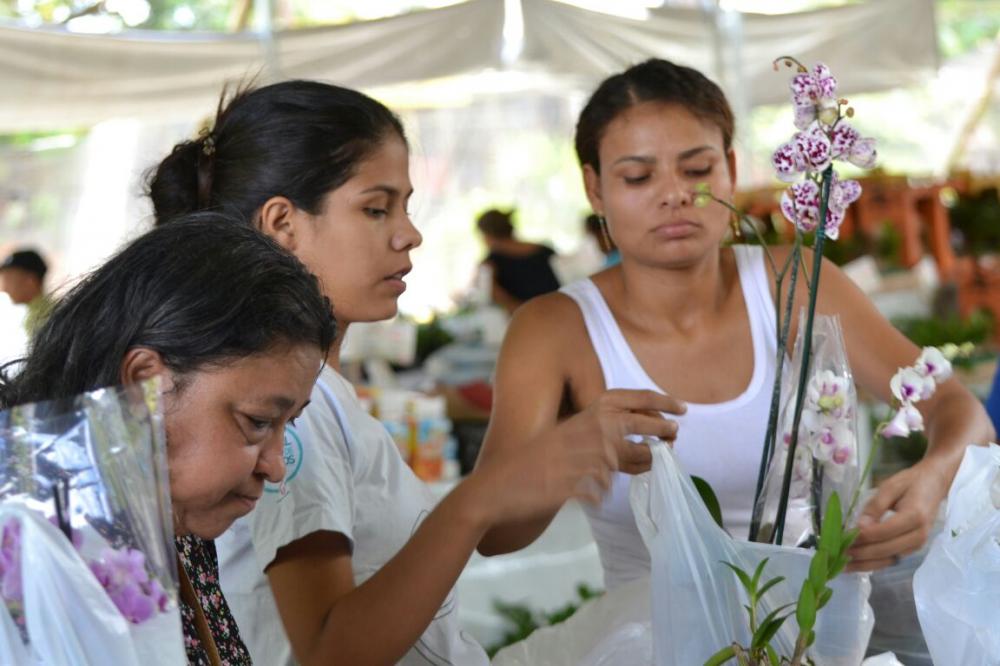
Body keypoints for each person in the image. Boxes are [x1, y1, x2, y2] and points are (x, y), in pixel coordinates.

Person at [148, 80, 681, 665]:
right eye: (376, 209)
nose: (410, 234)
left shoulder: (323, 396)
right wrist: (474, 502)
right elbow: (332, 651)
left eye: (406, 207)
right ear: (282, 224)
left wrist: (550, 465)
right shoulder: (294, 409)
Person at [475, 59, 995, 589]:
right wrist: (567, 459)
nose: (674, 193)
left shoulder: (794, 284)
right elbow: (491, 534)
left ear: (729, 167)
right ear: (595, 189)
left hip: (819, 626)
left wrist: (934, 480)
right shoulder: (552, 331)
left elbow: (958, 409)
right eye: (638, 176)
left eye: (697, 170)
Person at [0, 217, 336, 664]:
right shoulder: (31, 541)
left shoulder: (172, 530)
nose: (274, 465)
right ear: (145, 383)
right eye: (257, 421)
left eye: (287, 423)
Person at [476, 208, 561, 313]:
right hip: (559, 310)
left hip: (529, 318)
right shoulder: (545, 251)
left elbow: (489, 295)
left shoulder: (491, 264)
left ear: (487, 235)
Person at [0, 248, 53, 336]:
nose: (4, 289)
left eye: (9, 280)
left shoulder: (42, 317)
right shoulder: (41, 312)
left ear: (30, 281)